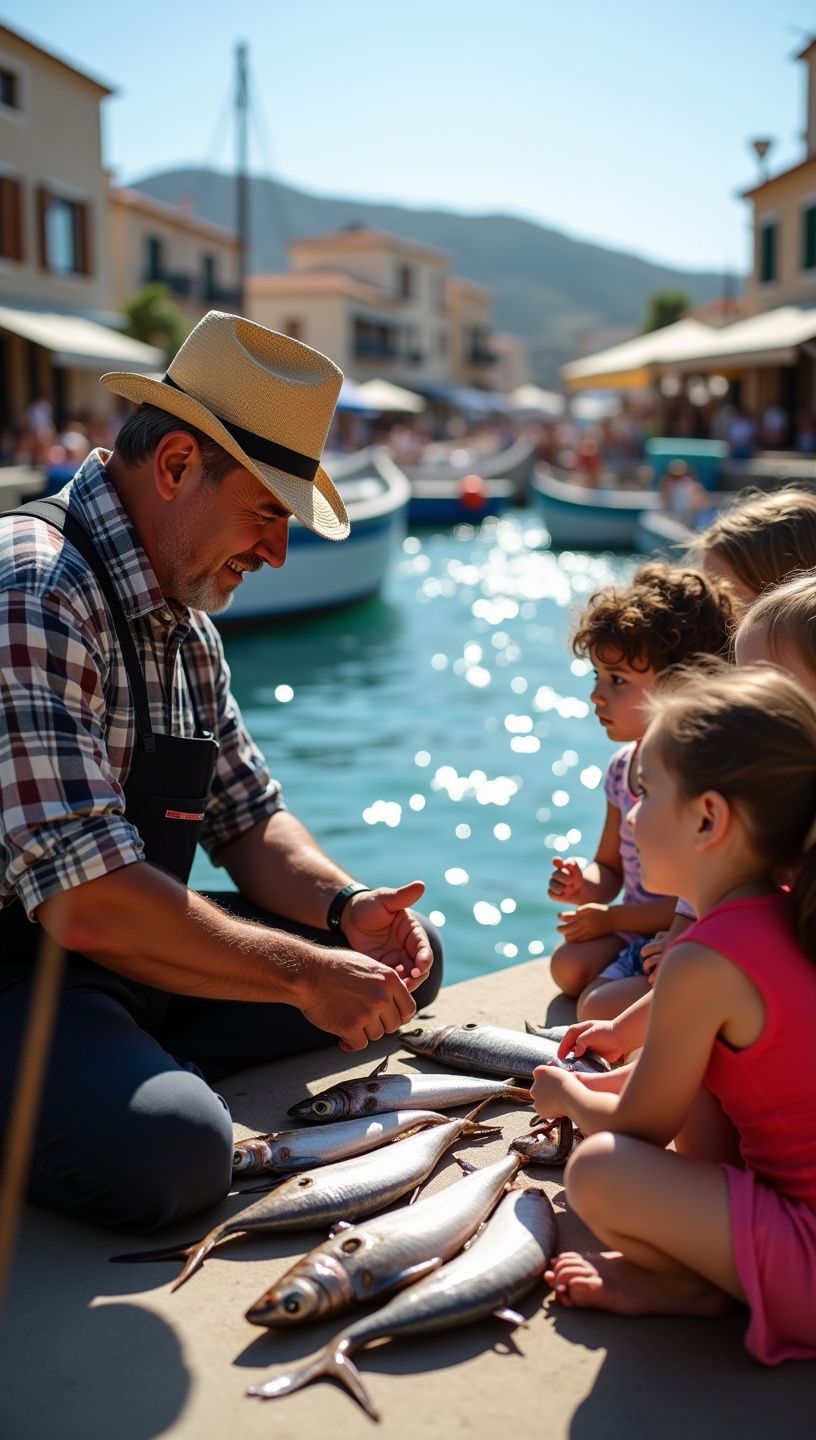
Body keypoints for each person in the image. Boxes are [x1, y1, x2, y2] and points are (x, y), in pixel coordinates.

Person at [0, 311, 443, 1234]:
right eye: (267, 513)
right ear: (173, 469)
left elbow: (249, 821)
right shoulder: (33, 590)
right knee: (174, 1155)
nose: (278, 551)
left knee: (397, 966)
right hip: (24, 978)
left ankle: (114, 1064)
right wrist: (299, 976)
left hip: (124, 965)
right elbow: (87, 902)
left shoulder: (185, 619)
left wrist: (345, 912)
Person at [534, 666, 816, 1364]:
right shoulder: (787, 909)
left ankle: (693, 1286)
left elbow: (638, 1128)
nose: (630, 818)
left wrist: (568, 1093)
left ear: (707, 818)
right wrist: (616, 1059)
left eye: (646, 793)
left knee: (599, 1170)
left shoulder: (702, 958)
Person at [547, 563, 732, 1018]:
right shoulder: (621, 769)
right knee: (567, 967)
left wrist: (610, 920)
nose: (597, 695)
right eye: (597, 676)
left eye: (618, 680)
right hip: (637, 929)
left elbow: (691, 897)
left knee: (594, 1005)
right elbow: (610, 868)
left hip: (685, 932)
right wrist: (582, 883)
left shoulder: (696, 779)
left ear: (680, 686)